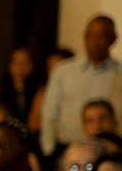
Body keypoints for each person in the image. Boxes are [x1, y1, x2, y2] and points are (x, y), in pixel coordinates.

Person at [40, 15, 122, 158]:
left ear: (113, 38)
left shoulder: (119, 74)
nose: (94, 42)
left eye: (101, 36)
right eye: (90, 35)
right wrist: (49, 150)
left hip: (107, 152)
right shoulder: (63, 70)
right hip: (66, 149)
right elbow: (49, 114)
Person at [0, 47, 43, 125]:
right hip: (4, 128)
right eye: (16, 63)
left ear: (32, 66)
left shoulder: (39, 91)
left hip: (28, 129)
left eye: (25, 63)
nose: (20, 68)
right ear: (9, 66)